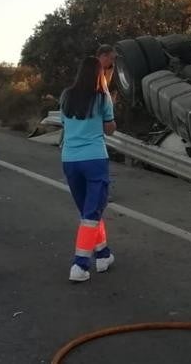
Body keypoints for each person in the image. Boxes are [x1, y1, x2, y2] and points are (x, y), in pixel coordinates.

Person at [59, 56, 117, 283]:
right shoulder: (102, 98)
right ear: (98, 74)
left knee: (88, 212)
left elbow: (65, 124)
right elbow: (110, 128)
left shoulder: (66, 96)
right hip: (94, 158)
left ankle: (103, 255)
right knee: (92, 212)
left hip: (70, 159)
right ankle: (80, 264)